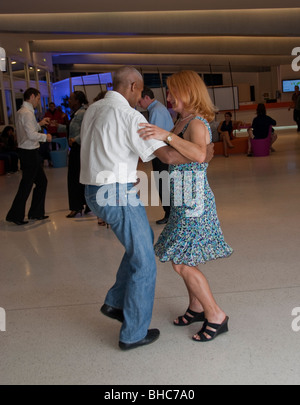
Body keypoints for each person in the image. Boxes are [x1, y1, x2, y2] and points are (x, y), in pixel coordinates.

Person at [80, 66, 215, 350]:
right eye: (141, 90)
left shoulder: (95, 108)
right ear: (132, 86)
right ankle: (134, 333)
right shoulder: (129, 116)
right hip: (118, 193)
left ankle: (116, 302)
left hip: (93, 191)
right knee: (145, 261)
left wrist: (178, 141)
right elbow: (166, 155)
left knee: (140, 246)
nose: (142, 97)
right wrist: (204, 154)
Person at [138, 70, 233, 342]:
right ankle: (196, 307)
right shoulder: (183, 121)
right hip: (183, 199)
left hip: (195, 202)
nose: (168, 97)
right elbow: (170, 156)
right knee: (184, 258)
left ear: (188, 92)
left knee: (181, 263)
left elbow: (200, 154)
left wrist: (164, 136)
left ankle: (216, 314)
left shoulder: (197, 123)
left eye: (172, 91)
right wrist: (150, 138)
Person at [6, 88, 52, 226]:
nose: (38, 101)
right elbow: (31, 135)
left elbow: (29, 131)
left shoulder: (22, 112)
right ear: (31, 96)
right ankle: (15, 215)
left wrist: (40, 124)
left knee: (41, 182)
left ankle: (35, 213)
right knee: (26, 185)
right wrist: (46, 137)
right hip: (29, 153)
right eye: (38, 98)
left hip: (28, 152)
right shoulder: (27, 113)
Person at [139, 87, 174, 224]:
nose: (139, 104)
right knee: (162, 182)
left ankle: (169, 213)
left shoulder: (156, 110)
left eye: (140, 101)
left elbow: (155, 136)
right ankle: (169, 212)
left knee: (162, 182)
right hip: (164, 151)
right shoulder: (157, 108)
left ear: (147, 97)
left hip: (162, 152)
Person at [58, 91, 89, 218]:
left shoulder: (82, 113)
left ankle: (76, 207)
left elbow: (86, 130)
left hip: (79, 148)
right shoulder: (76, 114)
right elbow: (71, 128)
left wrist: (75, 139)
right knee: (80, 177)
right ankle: (85, 205)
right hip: (77, 149)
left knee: (74, 178)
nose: (69, 101)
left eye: (71, 99)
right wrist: (57, 126)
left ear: (77, 101)